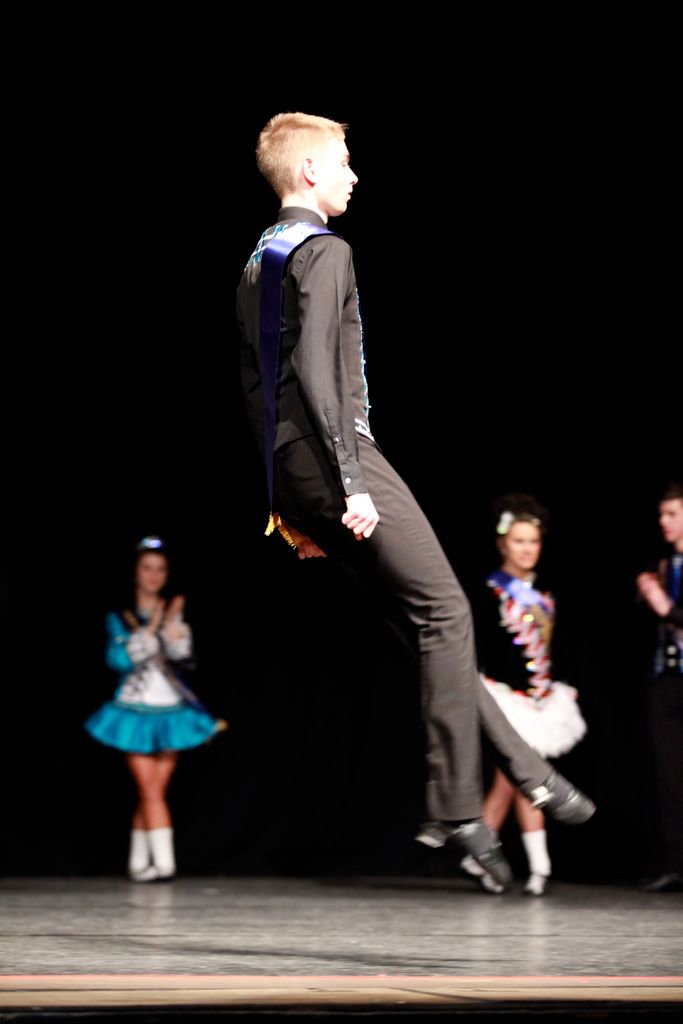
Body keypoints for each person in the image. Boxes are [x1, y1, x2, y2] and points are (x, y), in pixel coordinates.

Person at [236, 111, 595, 888]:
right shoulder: (326, 249)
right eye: (343, 162)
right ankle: (456, 805)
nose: (353, 174)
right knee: (447, 613)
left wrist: (287, 503)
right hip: (337, 455)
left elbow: (257, 390)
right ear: (309, 172)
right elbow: (317, 371)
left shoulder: (259, 259)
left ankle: (527, 769)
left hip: (294, 466)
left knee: (423, 626)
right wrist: (350, 481)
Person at [458, 494, 588, 896]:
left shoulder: (548, 591)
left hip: (541, 699)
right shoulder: (489, 590)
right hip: (504, 698)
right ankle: (538, 865)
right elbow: (477, 645)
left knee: (513, 779)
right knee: (527, 775)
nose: (527, 549)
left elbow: (560, 645)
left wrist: (563, 684)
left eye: (533, 541)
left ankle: (482, 854)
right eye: (519, 541)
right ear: (503, 544)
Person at [84, 536, 226, 882]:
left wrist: (173, 624)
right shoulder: (121, 617)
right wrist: (150, 627)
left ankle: (138, 864)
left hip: (171, 710)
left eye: (160, 569)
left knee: (154, 791)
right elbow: (119, 660)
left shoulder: (173, 611)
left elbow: (183, 658)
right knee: (149, 789)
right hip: (133, 710)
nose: (153, 575)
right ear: (135, 572)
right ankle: (164, 865)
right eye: (147, 568)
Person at [636, 482, 683, 893]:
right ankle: (675, 863)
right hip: (666, 679)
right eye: (661, 514)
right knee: (669, 776)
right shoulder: (665, 565)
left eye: (673, 514)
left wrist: (664, 605)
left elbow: (669, 610)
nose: (664, 521)